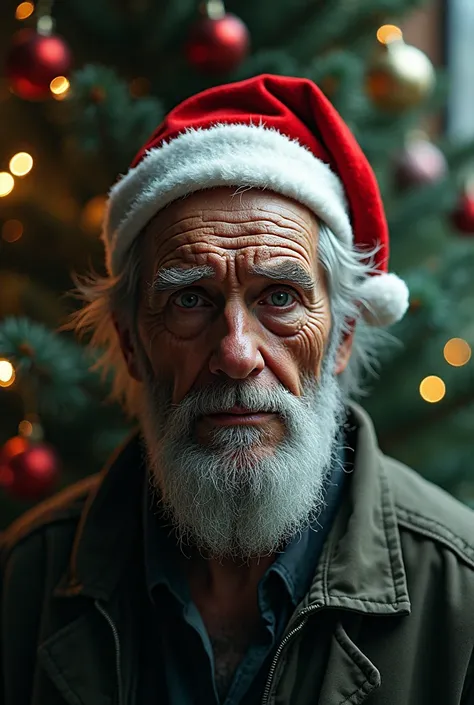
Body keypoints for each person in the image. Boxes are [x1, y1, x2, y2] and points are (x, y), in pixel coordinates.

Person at [1, 74, 473, 705]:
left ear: (344, 337)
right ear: (132, 344)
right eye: (189, 300)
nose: (236, 354)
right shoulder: (22, 582)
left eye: (279, 298)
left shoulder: (461, 595)